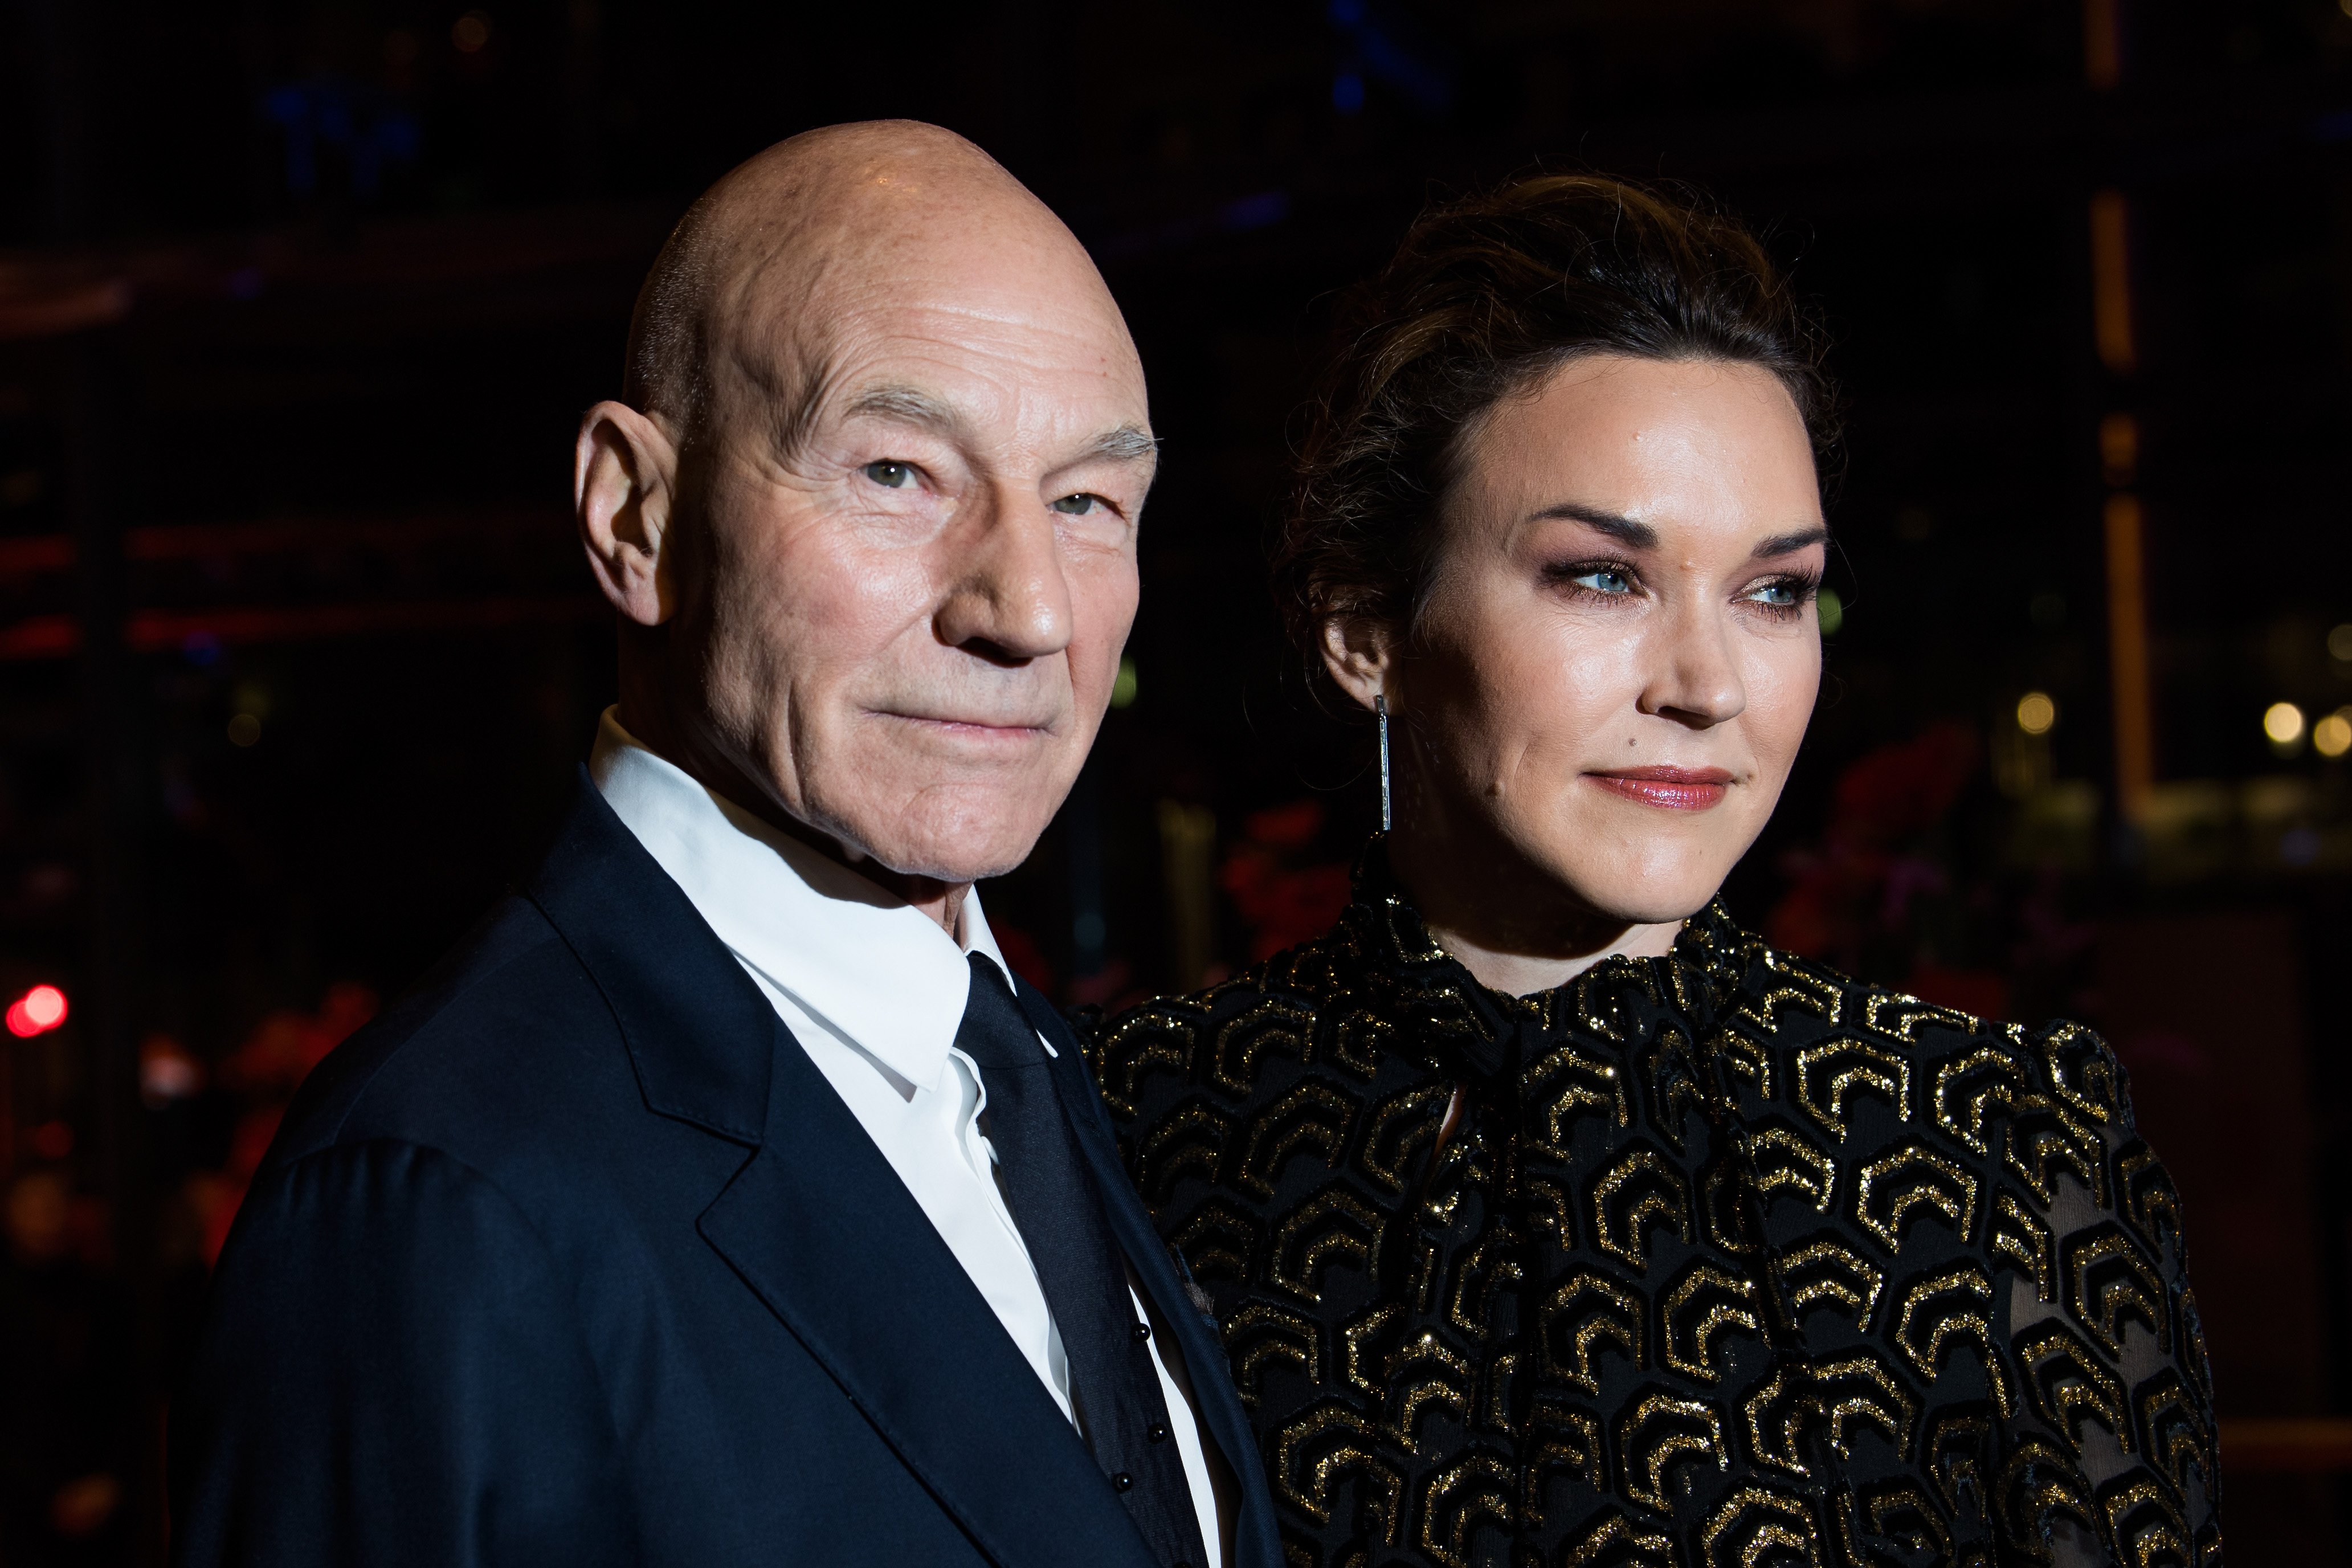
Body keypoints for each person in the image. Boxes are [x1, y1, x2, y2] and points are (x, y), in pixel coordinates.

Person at [171, 121, 1277, 1568]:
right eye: (900, 473)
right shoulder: (448, 1194)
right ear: (635, 518)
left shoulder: (1033, 1072)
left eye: (1086, 500)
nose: (1031, 610)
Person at [1095, 176, 2216, 1566]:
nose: (1706, 685)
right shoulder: (1123, 1129)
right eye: (1601, 577)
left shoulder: (1987, 1146)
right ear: (1367, 627)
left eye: (1773, 591)